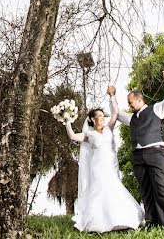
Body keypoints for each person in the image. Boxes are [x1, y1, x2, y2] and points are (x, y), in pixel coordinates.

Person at [108, 68, 164, 230]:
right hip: (138, 156)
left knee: (160, 188)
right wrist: (112, 97)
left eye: (131, 103)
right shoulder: (132, 118)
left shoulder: (156, 109)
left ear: (139, 100)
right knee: (146, 190)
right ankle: (151, 222)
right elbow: (116, 114)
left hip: (156, 153)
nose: (129, 106)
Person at [65, 98, 144, 233]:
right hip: (97, 166)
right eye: (99, 116)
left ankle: (121, 218)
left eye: (102, 116)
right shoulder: (88, 134)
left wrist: (112, 97)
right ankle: (97, 222)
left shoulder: (109, 128)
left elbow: (115, 113)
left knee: (115, 187)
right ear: (92, 119)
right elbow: (72, 136)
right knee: (100, 190)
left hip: (111, 165)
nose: (102, 118)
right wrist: (67, 121)